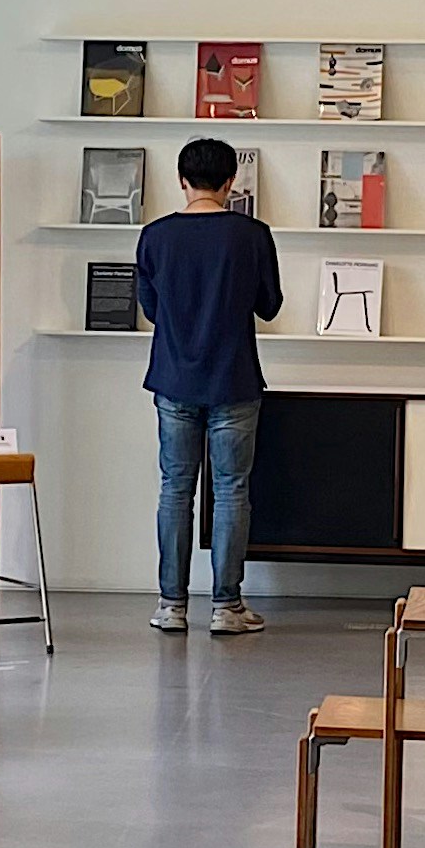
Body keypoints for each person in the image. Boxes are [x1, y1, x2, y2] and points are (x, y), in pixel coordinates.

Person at [135, 140, 283, 636]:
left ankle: (171, 605)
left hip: (174, 379)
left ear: (181, 180)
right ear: (229, 184)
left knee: (175, 491)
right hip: (234, 379)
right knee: (231, 491)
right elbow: (269, 305)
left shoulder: (155, 237)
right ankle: (226, 606)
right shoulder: (252, 234)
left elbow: (153, 310)